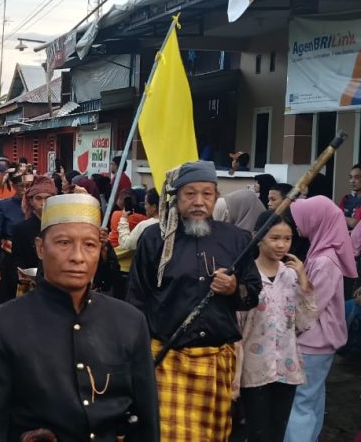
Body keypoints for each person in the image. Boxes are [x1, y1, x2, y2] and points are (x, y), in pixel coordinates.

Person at [0, 194, 160, 442]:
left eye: (89, 245)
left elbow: (147, 423)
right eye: (64, 243)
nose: (77, 257)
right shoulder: (3, 326)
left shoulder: (129, 323)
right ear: (40, 247)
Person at [127, 160, 262, 442]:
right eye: (190, 194)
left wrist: (233, 287)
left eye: (207, 194)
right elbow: (137, 300)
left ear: (216, 197)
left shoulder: (237, 240)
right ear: (177, 197)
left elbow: (252, 295)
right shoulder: (156, 240)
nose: (199, 201)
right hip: (167, 358)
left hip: (215, 361)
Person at [234, 212, 317, 442]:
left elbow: (306, 322)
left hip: (286, 368)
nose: (281, 245)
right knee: (256, 432)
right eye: (275, 238)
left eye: (287, 239)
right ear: (258, 238)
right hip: (253, 369)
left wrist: (303, 279)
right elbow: (237, 327)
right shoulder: (246, 277)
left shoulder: (291, 275)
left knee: (276, 433)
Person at [284, 196, 357, 442]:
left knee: (300, 403)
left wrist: (287, 329)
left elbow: (311, 307)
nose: (297, 225)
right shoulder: (322, 253)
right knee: (312, 398)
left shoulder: (324, 261)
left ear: (317, 220)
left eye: (302, 218)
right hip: (319, 342)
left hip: (313, 341)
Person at [0, 173, 31, 304]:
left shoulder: (37, 206)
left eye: (28, 186)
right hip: (8, 259)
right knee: (5, 300)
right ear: (13, 186)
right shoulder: (4, 206)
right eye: (21, 186)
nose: (25, 190)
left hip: (30, 259)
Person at [11, 176, 56, 296]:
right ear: (31, 201)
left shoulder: (61, 227)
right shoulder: (21, 229)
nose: (43, 203)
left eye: (48, 198)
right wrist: (21, 273)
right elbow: (17, 258)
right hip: (31, 287)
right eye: (38, 198)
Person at [339, 163, 361, 229]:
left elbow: (354, 223)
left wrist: (340, 217)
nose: (352, 181)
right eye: (351, 177)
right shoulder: (346, 199)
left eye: (356, 177)